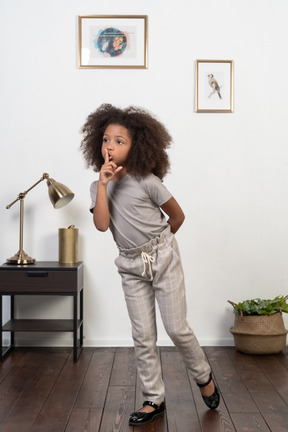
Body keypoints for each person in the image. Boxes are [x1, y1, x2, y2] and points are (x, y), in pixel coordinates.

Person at [80, 104, 220, 426]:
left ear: (136, 146)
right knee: (143, 335)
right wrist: (102, 185)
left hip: (163, 258)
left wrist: (161, 248)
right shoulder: (96, 186)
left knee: (176, 328)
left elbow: (177, 216)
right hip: (130, 266)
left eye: (119, 141)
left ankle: (202, 374)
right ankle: (153, 399)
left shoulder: (147, 181)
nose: (110, 147)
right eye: (105, 140)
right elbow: (102, 226)